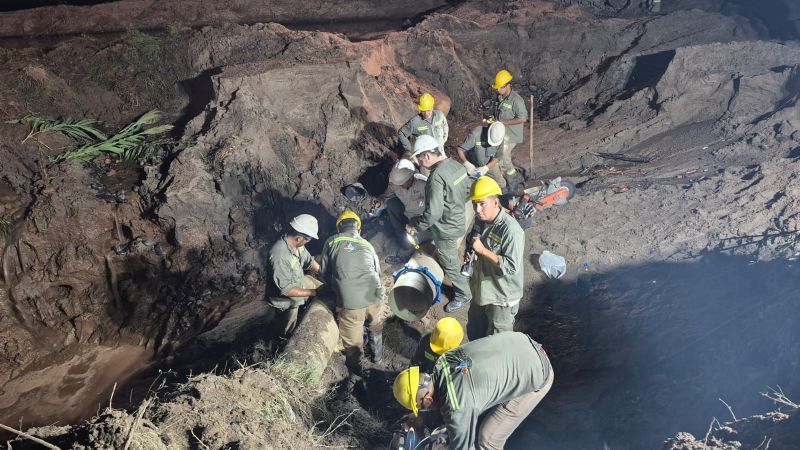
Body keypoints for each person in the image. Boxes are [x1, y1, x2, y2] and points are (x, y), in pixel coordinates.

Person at [393, 332, 554, 450]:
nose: (423, 410)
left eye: (421, 407)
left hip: (538, 372)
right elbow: (450, 398)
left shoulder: (457, 406)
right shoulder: (444, 360)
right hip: (522, 343)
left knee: (488, 439)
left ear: (427, 399)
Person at [406, 135, 472, 313]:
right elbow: (467, 189)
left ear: (427, 155)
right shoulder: (456, 165)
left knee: (448, 261)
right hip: (460, 217)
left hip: (446, 228)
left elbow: (433, 213)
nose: (420, 162)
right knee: (456, 251)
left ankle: (463, 294)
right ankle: (463, 268)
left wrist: (415, 226)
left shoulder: (436, 178)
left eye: (420, 158)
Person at [319, 211, 387, 368]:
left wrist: (337, 288)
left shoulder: (331, 242)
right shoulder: (368, 245)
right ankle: (378, 358)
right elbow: (378, 272)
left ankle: (357, 372)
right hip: (375, 296)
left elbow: (324, 274)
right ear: (359, 229)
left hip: (351, 303)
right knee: (374, 325)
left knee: (353, 343)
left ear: (339, 228)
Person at [464, 176, 525, 340]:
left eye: (482, 203)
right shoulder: (480, 220)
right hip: (482, 290)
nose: (477, 209)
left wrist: (483, 251)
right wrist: (471, 253)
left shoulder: (511, 231)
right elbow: (473, 240)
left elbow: (511, 267)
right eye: (474, 204)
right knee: (476, 332)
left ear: (496, 202)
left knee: (498, 341)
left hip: (502, 297)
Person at [266, 214, 323, 337]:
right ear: (299, 238)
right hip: (286, 301)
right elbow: (286, 290)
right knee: (287, 326)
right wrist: (316, 292)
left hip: (299, 282)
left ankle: (305, 307)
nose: (308, 242)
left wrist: (323, 272)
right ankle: (280, 342)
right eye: (308, 240)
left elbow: (309, 261)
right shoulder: (280, 255)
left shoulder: (296, 245)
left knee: (314, 283)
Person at [376, 158, 431, 263]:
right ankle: (401, 237)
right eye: (398, 183)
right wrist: (379, 202)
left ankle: (403, 256)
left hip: (423, 220)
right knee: (391, 204)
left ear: (410, 177)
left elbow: (435, 209)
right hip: (408, 216)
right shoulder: (395, 183)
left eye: (402, 183)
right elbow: (386, 197)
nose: (400, 185)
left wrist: (419, 225)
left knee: (411, 240)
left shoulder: (424, 184)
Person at [490, 70, 528, 188]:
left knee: (504, 157)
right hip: (501, 133)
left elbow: (523, 118)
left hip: (511, 135)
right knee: (498, 157)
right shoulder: (500, 97)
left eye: (499, 88)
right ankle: (502, 178)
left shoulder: (517, 101)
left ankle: (513, 181)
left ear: (507, 86)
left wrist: (503, 122)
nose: (497, 90)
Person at [457, 122, 507, 190]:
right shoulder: (476, 134)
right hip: (474, 167)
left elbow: (498, 156)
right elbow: (460, 150)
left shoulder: (499, 138)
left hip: (490, 165)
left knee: (502, 185)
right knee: (469, 186)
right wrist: (466, 163)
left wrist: (486, 168)